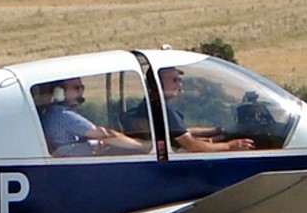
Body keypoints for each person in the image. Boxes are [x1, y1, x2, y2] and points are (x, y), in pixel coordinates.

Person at [126, 67, 254, 152]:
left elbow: (179, 131)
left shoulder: (147, 106)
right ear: (156, 84)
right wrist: (230, 146)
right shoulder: (164, 111)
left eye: (180, 80)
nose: (179, 85)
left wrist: (216, 130)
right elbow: (193, 146)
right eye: (175, 80)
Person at [38, 78, 150, 156]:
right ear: (59, 92)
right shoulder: (62, 115)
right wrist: (142, 145)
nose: (81, 91)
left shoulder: (53, 112)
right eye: (77, 88)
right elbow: (105, 134)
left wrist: (97, 143)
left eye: (82, 87)